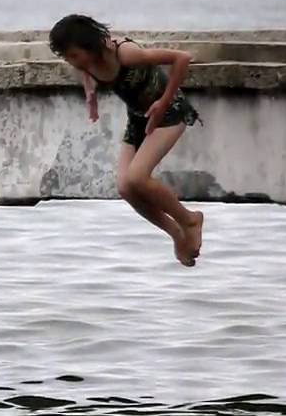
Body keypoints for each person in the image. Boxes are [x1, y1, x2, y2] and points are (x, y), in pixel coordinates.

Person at [48, 14, 205, 266]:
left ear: (90, 46)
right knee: (125, 187)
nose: (72, 62)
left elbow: (181, 58)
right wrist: (90, 93)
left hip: (169, 113)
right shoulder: (86, 62)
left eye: (74, 56)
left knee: (137, 178)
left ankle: (189, 220)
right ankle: (176, 233)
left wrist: (163, 102)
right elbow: (85, 69)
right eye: (67, 57)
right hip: (138, 119)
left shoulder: (126, 54)